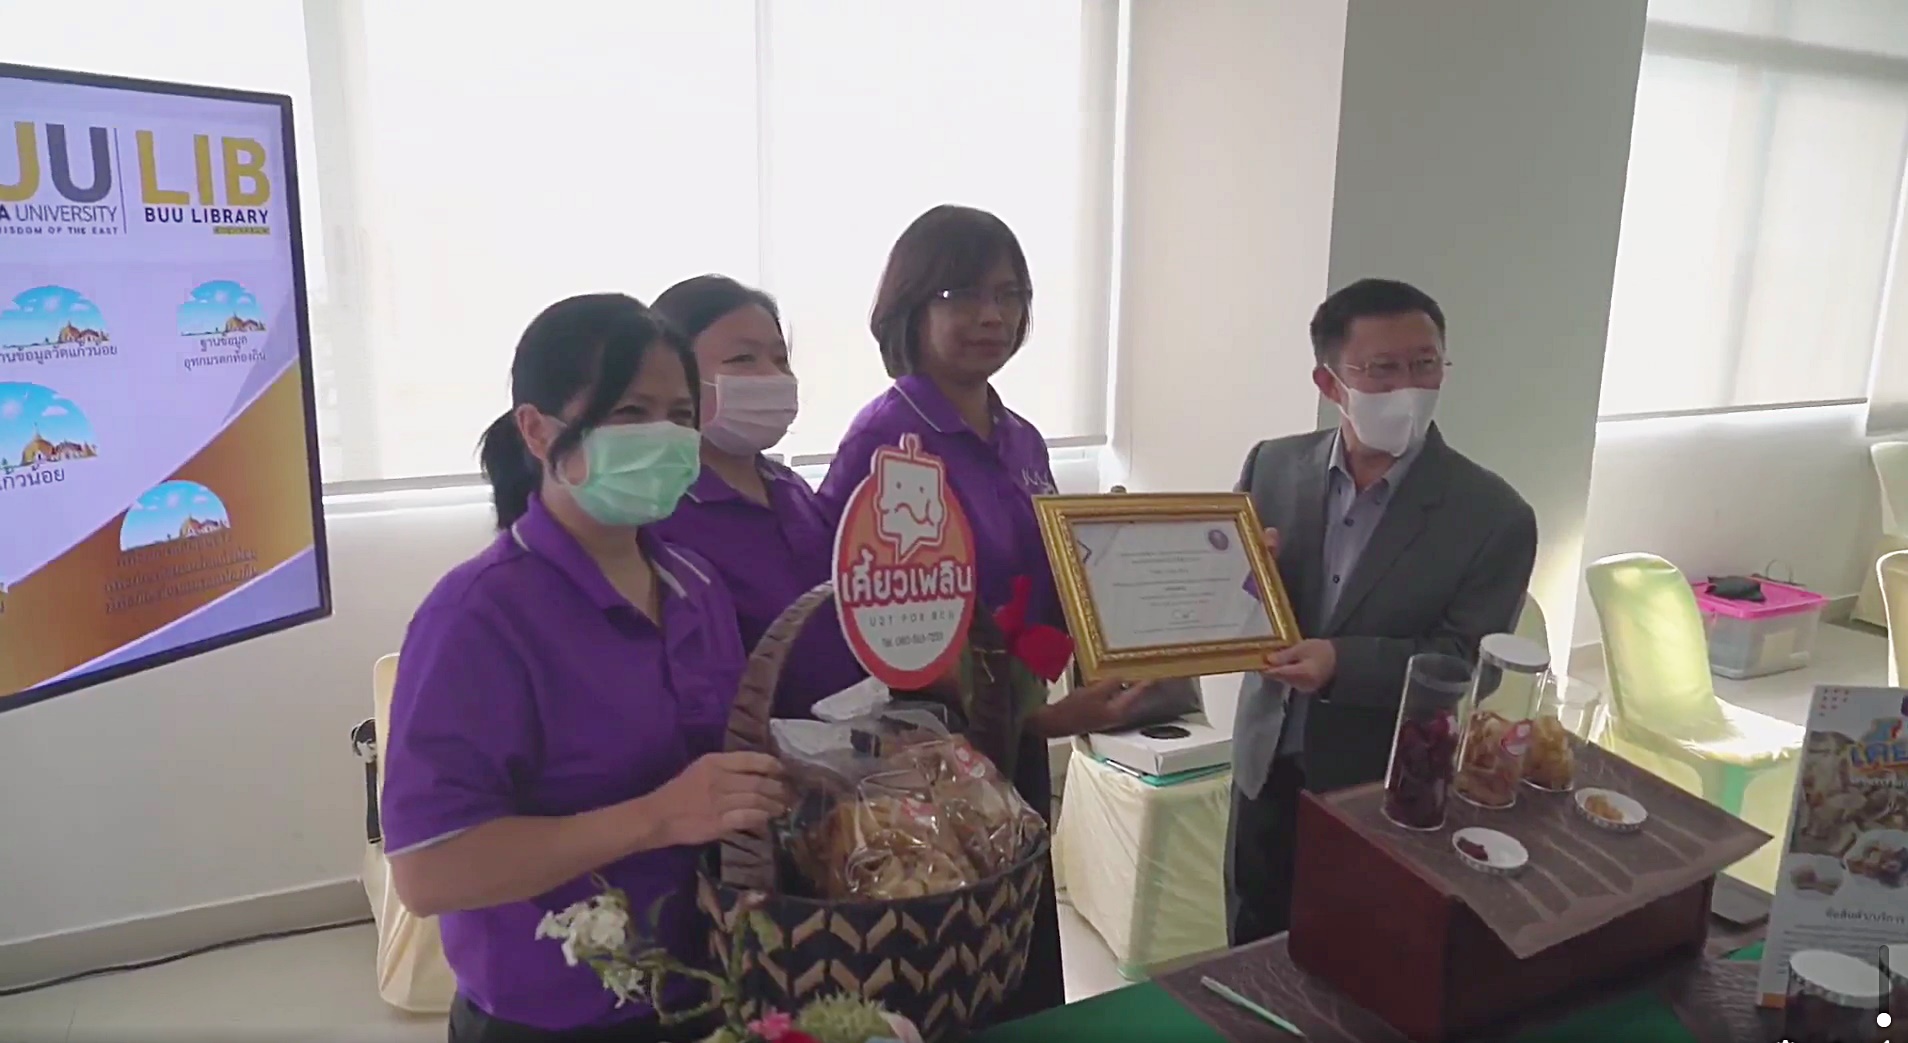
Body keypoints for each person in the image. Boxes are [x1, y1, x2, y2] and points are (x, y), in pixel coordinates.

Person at [380, 293, 789, 1043]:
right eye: (630, 412)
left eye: (680, 415)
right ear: (537, 430)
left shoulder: (694, 585)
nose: (662, 436)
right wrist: (657, 817)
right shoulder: (479, 617)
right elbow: (429, 871)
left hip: (705, 982)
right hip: (553, 1012)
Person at [818, 204, 1151, 1021]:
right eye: (961, 294)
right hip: (921, 760)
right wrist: (1039, 716)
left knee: (1019, 955)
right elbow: (864, 625)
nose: (992, 315)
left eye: (1009, 294)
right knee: (947, 971)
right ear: (910, 307)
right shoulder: (888, 437)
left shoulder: (1022, 437)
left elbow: (1051, 582)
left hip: (1018, 739)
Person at [1224, 277, 1538, 946]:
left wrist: (1342, 663)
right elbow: (1232, 598)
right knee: (1252, 943)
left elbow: (1465, 663)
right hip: (1266, 762)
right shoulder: (1273, 465)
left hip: (1386, 783)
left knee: (1362, 957)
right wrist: (1238, 578)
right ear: (1331, 382)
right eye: (1383, 369)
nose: (1408, 387)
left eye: (1425, 365)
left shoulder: (1493, 515)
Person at [648, 275, 866, 718]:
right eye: (742, 359)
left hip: (847, 740)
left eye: (781, 359)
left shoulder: (792, 489)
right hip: (745, 751)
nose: (772, 376)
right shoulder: (660, 511)